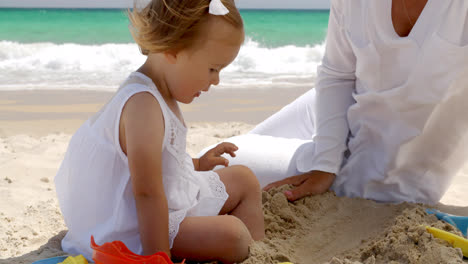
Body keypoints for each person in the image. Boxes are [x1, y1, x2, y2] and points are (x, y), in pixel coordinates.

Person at [54, 0, 264, 263]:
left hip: (163, 205)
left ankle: (260, 253)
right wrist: (159, 257)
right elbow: (146, 193)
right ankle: (246, 251)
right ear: (173, 49)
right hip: (136, 226)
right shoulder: (143, 105)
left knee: (245, 179)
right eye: (212, 69)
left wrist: (197, 163)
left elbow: (160, 168)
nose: (216, 81)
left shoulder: (162, 91)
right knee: (234, 236)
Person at [203, 0, 468, 204]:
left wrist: (329, 169)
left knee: (216, 171)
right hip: (343, 105)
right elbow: (338, 75)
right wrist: (324, 164)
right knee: (222, 158)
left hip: (371, 170)